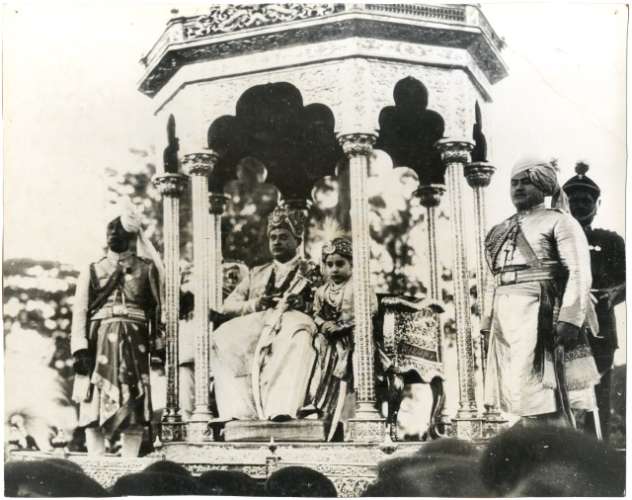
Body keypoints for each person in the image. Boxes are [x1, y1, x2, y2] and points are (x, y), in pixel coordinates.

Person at [481, 158, 600, 424]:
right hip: (505, 320)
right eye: (514, 183)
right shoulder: (498, 230)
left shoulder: (561, 222)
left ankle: (555, 441)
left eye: (526, 182)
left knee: (547, 396)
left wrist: (570, 319)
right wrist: (487, 322)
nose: (518, 188)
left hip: (541, 315)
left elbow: (579, 272)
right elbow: (492, 279)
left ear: (543, 186)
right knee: (516, 396)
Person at [70, 201, 164, 457]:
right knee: (93, 401)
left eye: (118, 230)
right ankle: (96, 460)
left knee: (134, 404)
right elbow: (80, 311)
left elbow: (157, 310)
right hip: (98, 340)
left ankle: (129, 461)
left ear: (131, 235)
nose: (113, 235)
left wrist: (158, 344)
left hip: (136, 342)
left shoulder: (147, 269)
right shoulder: (93, 269)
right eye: (110, 230)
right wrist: (79, 348)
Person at [210, 206, 320, 421]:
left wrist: (305, 304)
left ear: (298, 240)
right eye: (273, 237)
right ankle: (240, 412)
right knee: (220, 337)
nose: (277, 242)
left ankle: (282, 409)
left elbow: (327, 301)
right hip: (258, 324)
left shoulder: (312, 271)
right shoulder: (256, 273)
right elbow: (227, 306)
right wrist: (256, 304)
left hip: (293, 322)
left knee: (299, 335)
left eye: (284, 237)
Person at [563, 162, 626, 439]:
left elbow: (626, 280)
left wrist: (614, 293)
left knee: (598, 394)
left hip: (600, 329)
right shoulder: (556, 238)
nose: (579, 205)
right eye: (573, 200)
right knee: (561, 394)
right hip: (564, 328)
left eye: (585, 200)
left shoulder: (610, 241)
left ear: (597, 204)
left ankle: (597, 450)